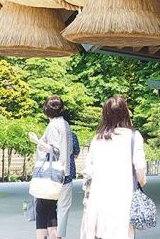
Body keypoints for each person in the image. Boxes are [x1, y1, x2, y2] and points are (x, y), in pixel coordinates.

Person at [80, 95, 147, 239]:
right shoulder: (134, 137)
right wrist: (140, 183)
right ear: (125, 113)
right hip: (122, 200)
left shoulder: (97, 138)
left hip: (97, 202)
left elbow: (88, 171)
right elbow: (140, 171)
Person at [29, 95, 72, 239]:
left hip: (51, 173)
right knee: (51, 207)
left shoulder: (53, 125)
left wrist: (36, 141)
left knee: (41, 208)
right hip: (63, 172)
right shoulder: (65, 124)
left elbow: (54, 150)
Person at [57, 130, 80, 239]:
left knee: (50, 206)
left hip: (51, 174)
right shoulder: (72, 135)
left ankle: (50, 232)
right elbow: (76, 153)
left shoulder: (51, 133)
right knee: (63, 207)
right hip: (67, 174)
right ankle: (59, 235)